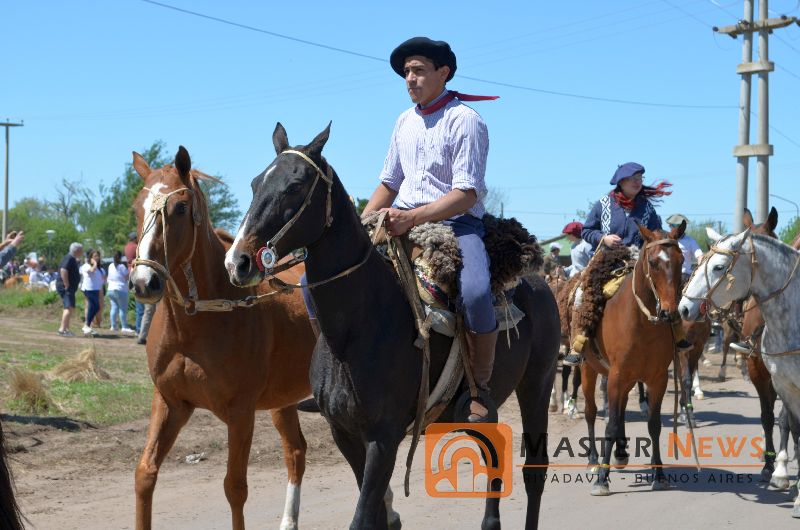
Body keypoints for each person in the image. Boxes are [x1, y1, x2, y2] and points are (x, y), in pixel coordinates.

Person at [361, 36, 499, 423]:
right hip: (398, 219)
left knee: (476, 292)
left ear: (444, 72)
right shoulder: (403, 122)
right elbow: (389, 183)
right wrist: (362, 223)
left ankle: (479, 388)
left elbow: (466, 193)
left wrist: (413, 218)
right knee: (332, 275)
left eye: (419, 70)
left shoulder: (466, 120)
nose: (410, 78)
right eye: (406, 72)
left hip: (456, 223)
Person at [563, 162, 692, 366]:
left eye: (640, 179)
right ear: (621, 181)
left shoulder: (647, 208)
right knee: (582, 293)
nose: (637, 182)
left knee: (668, 285)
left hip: (639, 261)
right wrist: (603, 238)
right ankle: (578, 343)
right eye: (633, 179)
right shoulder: (603, 204)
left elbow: (657, 235)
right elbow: (587, 230)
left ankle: (677, 335)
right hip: (607, 260)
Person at [666, 213, 703, 284]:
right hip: (669, 275)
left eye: (672, 225)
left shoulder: (690, 241)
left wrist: (699, 269)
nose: (670, 227)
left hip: (685, 276)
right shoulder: (666, 241)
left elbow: (700, 256)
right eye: (671, 225)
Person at [56, 242, 83, 337]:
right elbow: (63, 270)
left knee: (70, 307)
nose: (82, 252)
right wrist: (66, 284)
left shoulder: (71, 258)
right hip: (66, 287)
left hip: (69, 287)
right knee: (69, 307)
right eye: (81, 250)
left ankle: (66, 329)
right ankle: (62, 330)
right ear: (77, 251)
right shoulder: (69, 258)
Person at [107, 250, 135, 334]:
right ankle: (124, 326)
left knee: (114, 307)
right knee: (122, 309)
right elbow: (127, 277)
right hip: (121, 289)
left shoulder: (110, 265)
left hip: (111, 289)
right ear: (121, 257)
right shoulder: (122, 266)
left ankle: (113, 326)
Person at [79, 249, 104, 336]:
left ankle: (87, 325)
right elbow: (91, 271)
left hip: (95, 289)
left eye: (98, 256)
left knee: (95, 307)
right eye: (95, 256)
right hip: (89, 289)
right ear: (90, 258)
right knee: (94, 306)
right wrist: (95, 263)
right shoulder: (86, 266)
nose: (97, 258)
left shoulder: (98, 268)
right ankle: (86, 325)